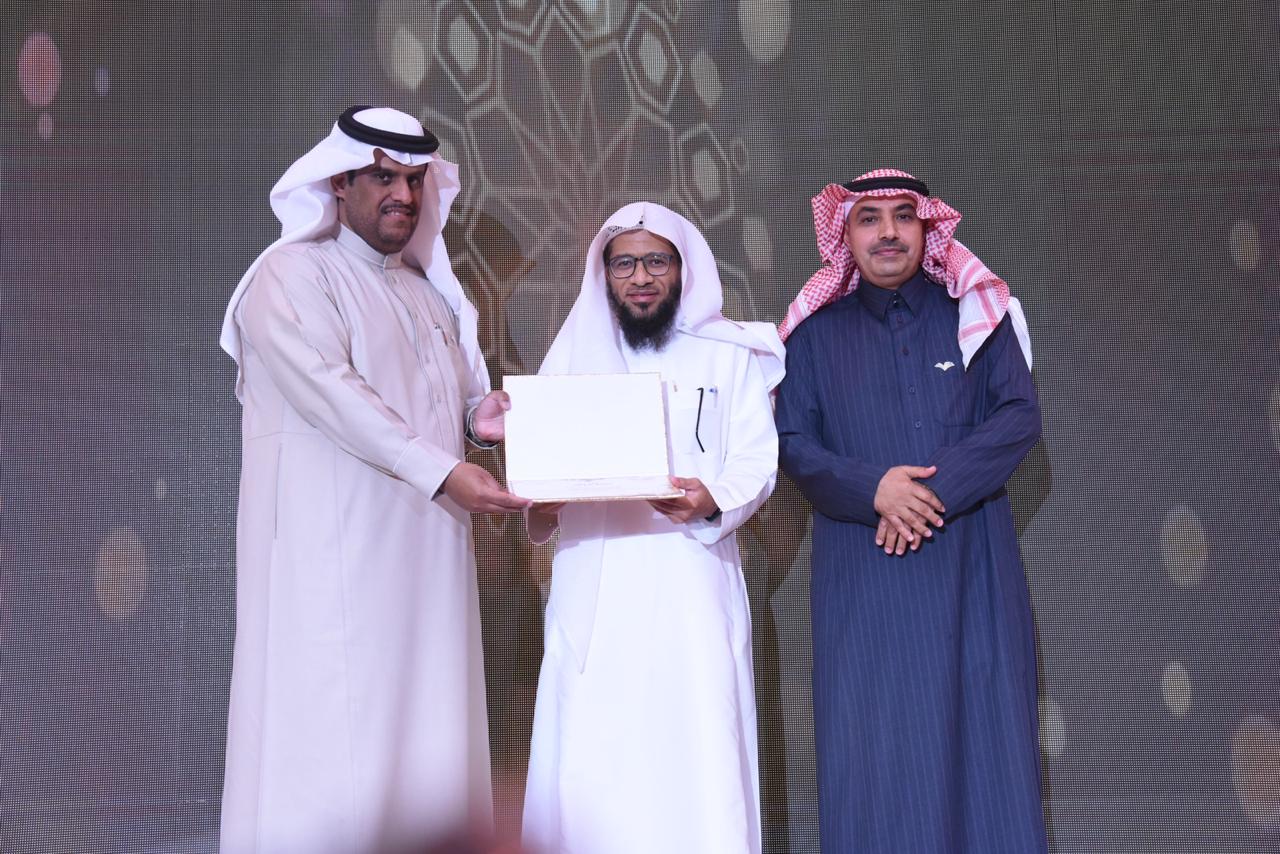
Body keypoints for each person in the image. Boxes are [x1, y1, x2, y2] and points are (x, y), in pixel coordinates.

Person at [217, 106, 528, 854]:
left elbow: (436, 405)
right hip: (340, 566)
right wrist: (446, 472)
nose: (404, 196)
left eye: (415, 182)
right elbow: (335, 396)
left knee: (430, 746)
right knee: (340, 753)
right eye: (384, 178)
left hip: (430, 569)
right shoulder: (291, 276)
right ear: (339, 182)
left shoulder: (425, 292)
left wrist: (474, 422)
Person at [775, 168, 1047, 852]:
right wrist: (873, 489)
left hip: (972, 572)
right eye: (869, 218)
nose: (888, 232)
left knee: (986, 748)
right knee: (877, 754)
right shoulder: (813, 337)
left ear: (928, 227)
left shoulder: (975, 316)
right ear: (845, 235)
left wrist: (928, 493)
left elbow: (1019, 415)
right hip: (865, 584)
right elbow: (790, 443)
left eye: (903, 215)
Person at [520, 202, 784, 854]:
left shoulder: (727, 354)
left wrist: (712, 500)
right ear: (605, 274)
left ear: (683, 268)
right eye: (625, 264)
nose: (641, 277)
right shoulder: (572, 355)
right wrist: (543, 502)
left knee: (696, 746)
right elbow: (539, 480)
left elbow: (756, 460)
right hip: (596, 584)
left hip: (691, 580)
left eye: (657, 261)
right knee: (592, 751)